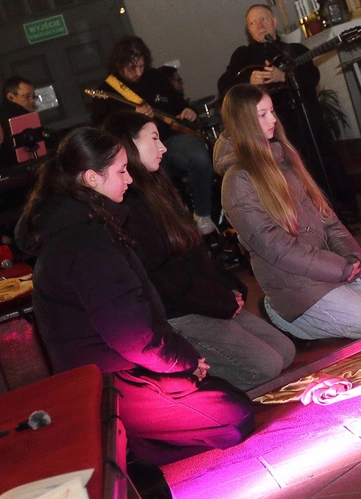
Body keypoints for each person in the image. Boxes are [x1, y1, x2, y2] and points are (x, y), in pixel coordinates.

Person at [14, 127, 254, 466]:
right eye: (121, 171)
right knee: (234, 417)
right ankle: (131, 449)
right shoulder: (85, 244)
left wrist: (181, 362)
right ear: (92, 178)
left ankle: (135, 440)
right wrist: (183, 362)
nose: (129, 179)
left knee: (226, 398)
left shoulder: (84, 227)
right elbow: (134, 338)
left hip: (120, 370)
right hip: (109, 384)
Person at [103, 112, 295, 391]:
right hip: (179, 313)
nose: (163, 148)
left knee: (285, 351)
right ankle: (187, 379)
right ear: (129, 145)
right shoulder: (127, 205)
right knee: (265, 366)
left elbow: (195, 251)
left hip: (204, 299)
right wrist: (219, 301)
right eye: (154, 139)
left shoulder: (158, 186)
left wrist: (228, 287)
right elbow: (166, 281)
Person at [219, 84, 361, 340]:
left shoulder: (283, 156)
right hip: (291, 278)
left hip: (324, 265)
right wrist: (338, 268)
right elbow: (276, 248)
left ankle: (328, 304)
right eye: (262, 115)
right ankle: (281, 316)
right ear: (243, 122)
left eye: (272, 111)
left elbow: (324, 214)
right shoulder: (237, 180)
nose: (273, 119)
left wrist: (348, 256)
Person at [217, 4, 360, 218]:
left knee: (319, 148)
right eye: (253, 23)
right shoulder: (242, 56)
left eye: (263, 19)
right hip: (268, 128)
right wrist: (249, 79)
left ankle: (337, 206)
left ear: (274, 22)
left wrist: (285, 77)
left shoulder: (294, 50)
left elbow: (312, 77)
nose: (259, 25)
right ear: (249, 30)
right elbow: (223, 86)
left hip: (301, 118)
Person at [90, 36, 218, 235]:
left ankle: (203, 215)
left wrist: (188, 111)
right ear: (119, 65)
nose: (138, 72)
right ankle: (175, 226)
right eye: (132, 68)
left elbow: (179, 104)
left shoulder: (155, 77)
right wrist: (134, 117)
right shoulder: (107, 91)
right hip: (139, 153)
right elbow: (102, 130)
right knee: (155, 186)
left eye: (142, 66)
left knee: (199, 156)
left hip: (171, 139)